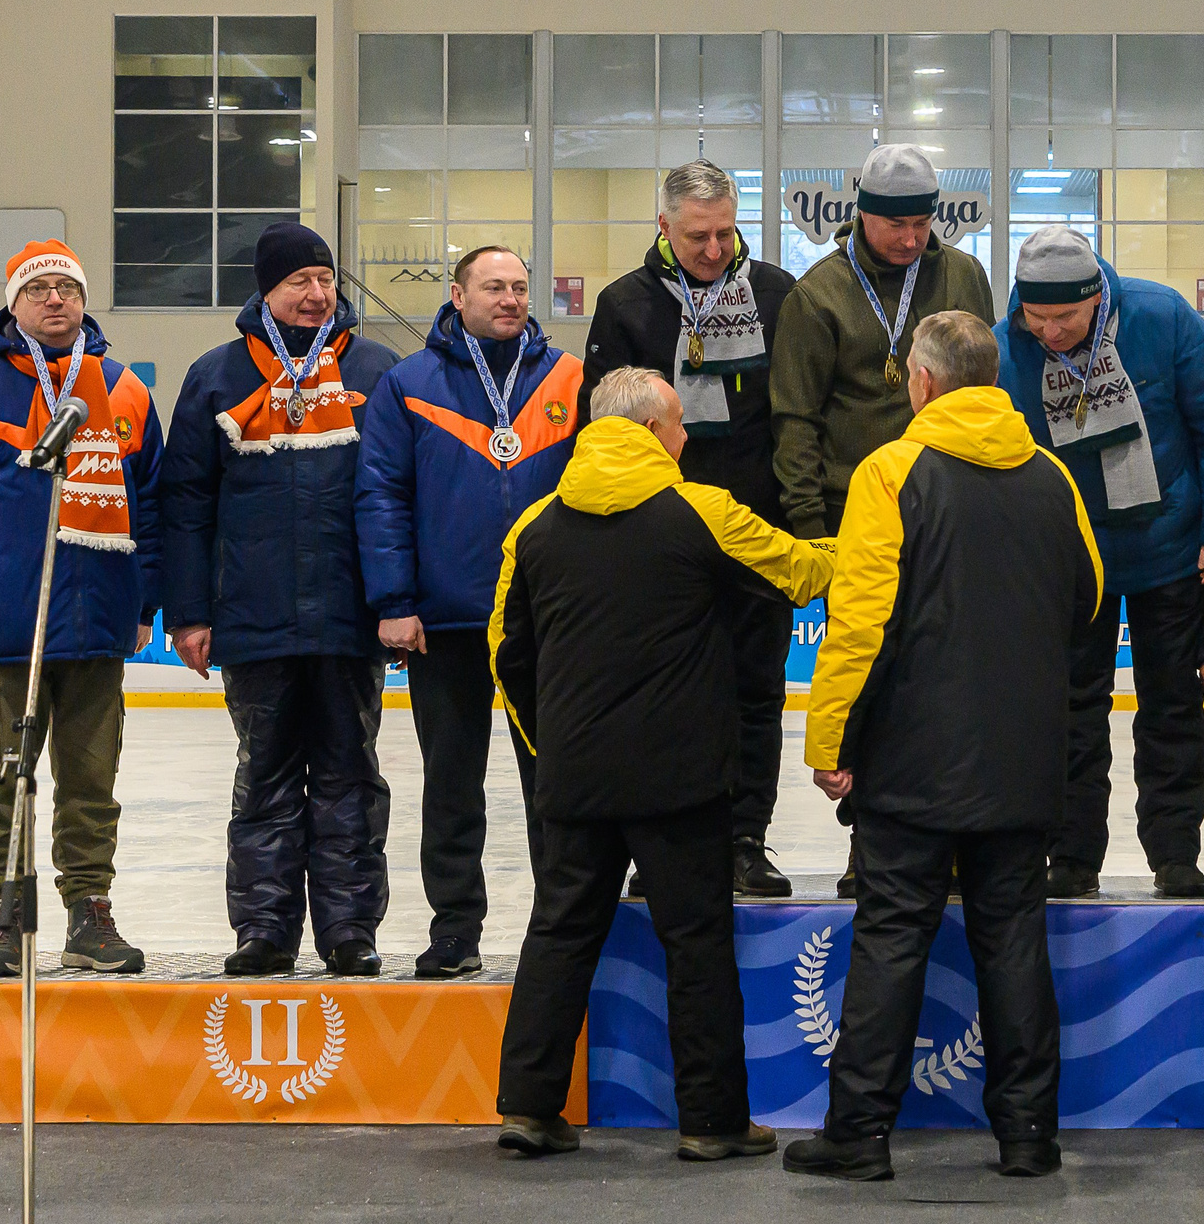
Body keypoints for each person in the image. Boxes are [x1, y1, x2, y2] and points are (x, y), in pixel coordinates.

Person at [782, 312, 1101, 1183]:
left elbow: (859, 622)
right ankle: (1029, 1134)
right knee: (1013, 939)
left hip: (913, 762)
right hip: (1024, 760)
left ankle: (858, 1133)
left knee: (890, 939)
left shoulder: (892, 472)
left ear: (921, 382)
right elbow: (1090, 600)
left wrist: (830, 736)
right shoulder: (1051, 474)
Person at [490, 368, 833, 1162]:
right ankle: (712, 1121)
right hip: (680, 779)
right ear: (649, 432)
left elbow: (506, 654)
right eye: (679, 425)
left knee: (559, 933)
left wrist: (552, 748)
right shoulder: (700, 511)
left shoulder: (535, 526)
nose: (688, 438)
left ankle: (528, 1107)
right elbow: (804, 572)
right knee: (698, 942)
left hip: (575, 776)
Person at [0, 238, 162, 977]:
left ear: (84, 301)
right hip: (5, 629)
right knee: (4, 780)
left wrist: (144, 601)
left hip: (95, 627)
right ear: (14, 304)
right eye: (39, 288)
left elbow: (152, 505)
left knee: (91, 784)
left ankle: (89, 913)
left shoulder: (124, 390)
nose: (55, 299)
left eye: (68, 287)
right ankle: (4, 913)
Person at [163, 223, 400, 978]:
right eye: (299, 279)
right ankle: (263, 929)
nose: (316, 293)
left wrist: (397, 598)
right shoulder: (217, 375)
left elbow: (396, 495)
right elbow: (185, 505)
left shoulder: (375, 367)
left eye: (326, 278)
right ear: (266, 289)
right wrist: (190, 611)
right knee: (264, 779)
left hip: (347, 618)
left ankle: (349, 929)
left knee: (348, 776)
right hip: (254, 620)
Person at [994, 225, 1204, 900]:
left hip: (1170, 549)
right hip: (1070, 558)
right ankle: (1072, 856)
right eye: (1036, 316)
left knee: (1170, 709)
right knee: (1071, 712)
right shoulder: (1005, 345)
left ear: (1098, 297)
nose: (1048, 332)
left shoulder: (1161, 316)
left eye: (1065, 318)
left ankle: (1174, 853)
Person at [769, 142, 995, 896]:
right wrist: (810, 529)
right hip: (858, 516)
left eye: (922, 223)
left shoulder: (962, 276)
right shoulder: (819, 295)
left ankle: (961, 843)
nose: (910, 239)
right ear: (858, 213)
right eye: (894, 224)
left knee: (955, 683)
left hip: (958, 511)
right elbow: (795, 419)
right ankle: (873, 848)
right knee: (871, 687)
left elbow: (989, 386)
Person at [357, 243, 580, 979]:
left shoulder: (570, 379)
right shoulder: (407, 383)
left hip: (544, 623)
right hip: (446, 623)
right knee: (452, 783)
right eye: (494, 286)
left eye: (520, 286)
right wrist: (393, 601)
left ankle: (562, 925)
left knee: (555, 783)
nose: (510, 298)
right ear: (458, 294)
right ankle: (455, 928)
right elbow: (382, 494)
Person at [578, 161, 800, 897]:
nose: (714, 249)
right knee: (670, 698)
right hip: (659, 543)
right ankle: (667, 845)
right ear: (664, 228)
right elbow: (604, 426)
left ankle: (745, 840)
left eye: (725, 232)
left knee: (755, 694)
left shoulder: (775, 293)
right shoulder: (625, 304)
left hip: (754, 532)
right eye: (698, 235)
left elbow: (793, 415)